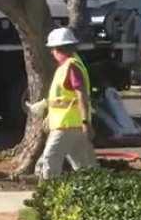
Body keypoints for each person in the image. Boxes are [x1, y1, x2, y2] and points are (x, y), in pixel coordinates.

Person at [27, 26, 98, 179]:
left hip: (67, 125)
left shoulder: (71, 67)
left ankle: (47, 194)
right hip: (72, 124)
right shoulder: (69, 66)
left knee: (50, 159)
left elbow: (81, 96)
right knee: (84, 164)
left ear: (59, 49)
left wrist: (86, 122)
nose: (52, 53)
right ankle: (94, 190)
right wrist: (48, 117)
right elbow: (62, 99)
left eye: (53, 50)